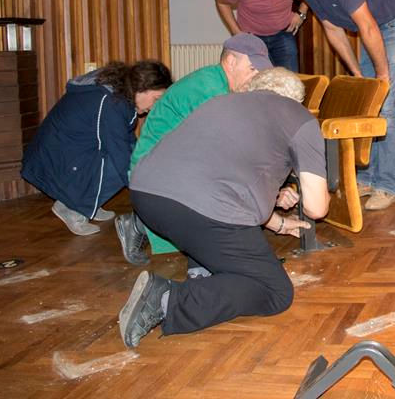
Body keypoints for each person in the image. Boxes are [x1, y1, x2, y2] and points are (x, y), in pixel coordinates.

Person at [117, 68, 330, 348]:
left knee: (211, 218)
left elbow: (229, 179)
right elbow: (316, 208)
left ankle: (203, 273)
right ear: (296, 99)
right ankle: (167, 300)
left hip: (146, 195)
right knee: (276, 291)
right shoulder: (299, 118)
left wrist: (278, 223)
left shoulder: (220, 102)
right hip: (199, 209)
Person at [269, 0, 395, 210]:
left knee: (388, 106)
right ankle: (368, 178)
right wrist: (357, 73)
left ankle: (386, 185)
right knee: (368, 103)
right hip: (374, 28)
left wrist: (383, 75)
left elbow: (367, 26)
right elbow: (333, 30)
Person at [116, 32, 272, 266]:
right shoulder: (210, 90)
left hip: (163, 167)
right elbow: (226, 152)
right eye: (252, 69)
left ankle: (142, 224)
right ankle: (141, 224)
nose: (256, 76)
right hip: (154, 174)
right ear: (231, 62)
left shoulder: (215, 82)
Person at [21, 60, 172, 236]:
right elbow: (119, 152)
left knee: (131, 156)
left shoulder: (120, 95)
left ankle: (87, 202)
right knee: (119, 165)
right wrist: (144, 191)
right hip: (55, 160)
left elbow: (127, 142)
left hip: (59, 153)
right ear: (141, 88)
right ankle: (71, 208)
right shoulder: (112, 103)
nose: (154, 107)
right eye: (156, 99)